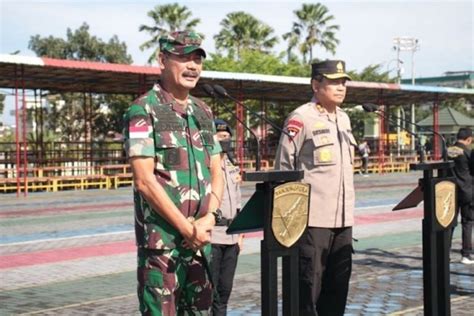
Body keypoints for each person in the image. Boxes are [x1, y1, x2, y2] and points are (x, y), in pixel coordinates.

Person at [123, 30, 224, 315]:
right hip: (163, 247)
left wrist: (210, 217)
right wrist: (186, 228)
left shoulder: (203, 112)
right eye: (183, 58)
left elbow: (217, 169)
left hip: (200, 243)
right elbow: (144, 181)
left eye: (197, 59)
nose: (192, 66)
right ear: (163, 60)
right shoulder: (143, 110)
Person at [275, 60, 356, 316]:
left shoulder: (344, 119)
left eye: (343, 82)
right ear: (315, 84)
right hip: (311, 221)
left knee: (337, 289)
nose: (340, 87)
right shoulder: (301, 118)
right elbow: (283, 169)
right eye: (333, 81)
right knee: (307, 290)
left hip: (343, 220)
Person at [210, 119, 244, 316]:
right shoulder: (206, 167)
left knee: (224, 291)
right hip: (213, 236)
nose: (224, 141)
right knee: (210, 292)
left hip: (231, 237)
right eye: (220, 137)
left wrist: (241, 236)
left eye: (227, 137)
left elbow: (238, 203)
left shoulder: (232, 165)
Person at [447, 127, 473, 264]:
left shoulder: (448, 151)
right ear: (469, 139)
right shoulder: (468, 153)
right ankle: (466, 254)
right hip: (467, 191)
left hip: (449, 191)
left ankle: (445, 253)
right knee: (467, 223)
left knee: (448, 223)